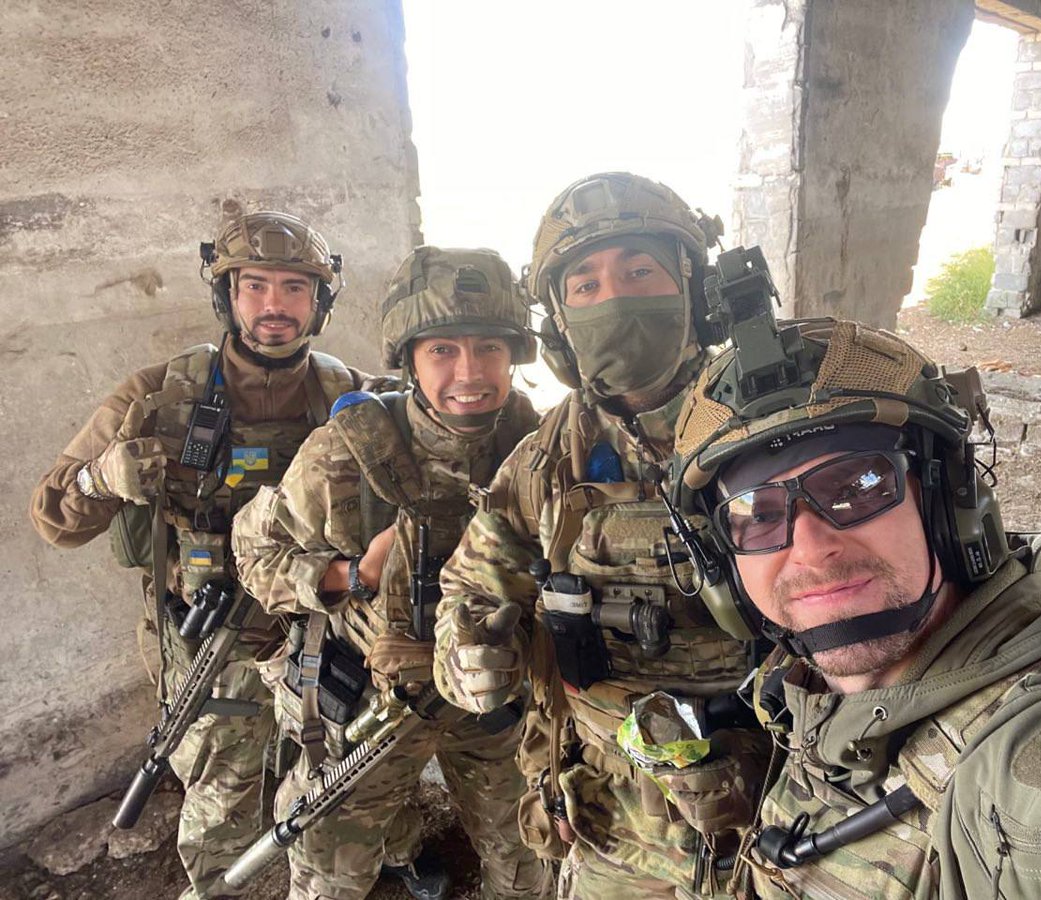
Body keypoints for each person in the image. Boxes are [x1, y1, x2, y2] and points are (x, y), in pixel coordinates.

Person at [665, 250, 1041, 899]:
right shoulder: (802, 691)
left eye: (856, 487)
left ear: (951, 507)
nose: (810, 548)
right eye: (759, 515)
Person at [432, 173, 772, 899]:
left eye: (640, 272)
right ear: (558, 323)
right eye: (585, 286)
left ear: (695, 289)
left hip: (779, 801)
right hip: (614, 819)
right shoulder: (547, 461)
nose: (614, 299)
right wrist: (469, 654)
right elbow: (471, 588)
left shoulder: (776, 423)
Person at [30, 211, 371, 899]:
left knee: (348, 776)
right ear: (227, 295)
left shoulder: (351, 397)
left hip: (322, 628)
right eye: (255, 286)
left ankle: (387, 852)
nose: (275, 305)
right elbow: (54, 518)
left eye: (295, 287)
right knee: (220, 801)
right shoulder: (158, 396)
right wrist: (102, 478)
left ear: (319, 303)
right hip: (212, 642)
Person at [231, 246, 550, 900]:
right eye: (443, 350)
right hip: (374, 708)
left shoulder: (534, 444)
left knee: (527, 857)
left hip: (491, 699)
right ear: (408, 358)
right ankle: (397, 852)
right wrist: (350, 574)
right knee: (330, 873)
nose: (470, 372)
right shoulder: (346, 453)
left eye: (490, 348)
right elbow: (254, 558)